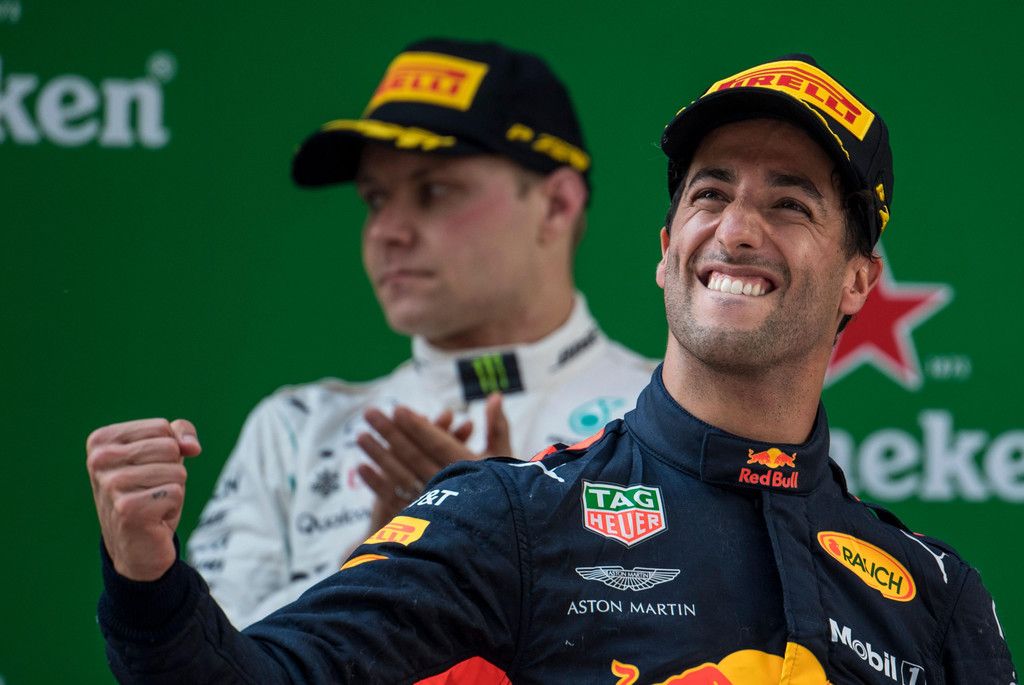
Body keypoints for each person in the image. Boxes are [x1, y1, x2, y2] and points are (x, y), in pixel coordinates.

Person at [88, 54, 1017, 683]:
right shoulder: (511, 516)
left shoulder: (935, 594)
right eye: (710, 193)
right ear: (666, 250)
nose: (736, 229)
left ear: (859, 280)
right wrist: (147, 581)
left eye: (790, 203)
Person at [179, 37, 655, 629]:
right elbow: (211, 658)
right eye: (376, 198)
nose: (387, 231)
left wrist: (506, 545)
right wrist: (377, 559)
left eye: (433, 191)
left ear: (556, 205)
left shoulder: (664, 420)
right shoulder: (296, 430)